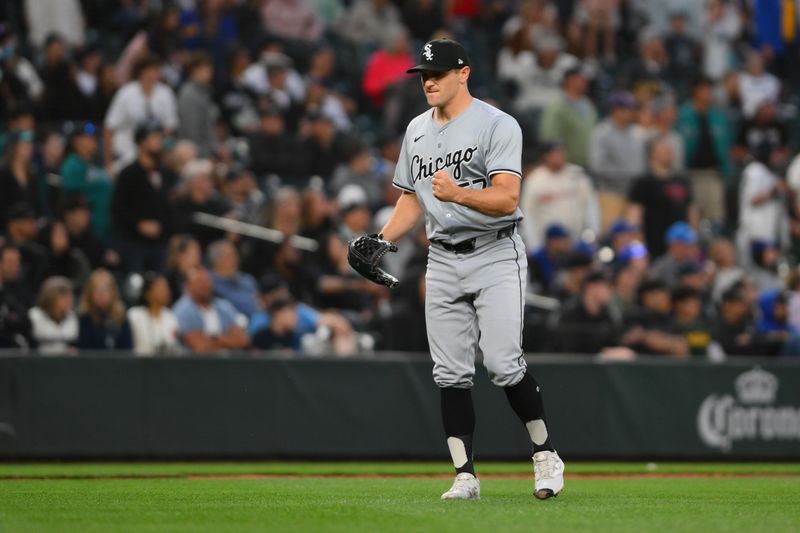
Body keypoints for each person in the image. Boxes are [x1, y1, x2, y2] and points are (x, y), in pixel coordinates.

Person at [370, 39, 565, 501]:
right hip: (441, 256)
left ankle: (545, 454)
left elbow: (507, 198)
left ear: (464, 73)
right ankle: (465, 475)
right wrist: (382, 240)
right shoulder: (416, 129)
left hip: (495, 253)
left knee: (501, 363)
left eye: (437, 72)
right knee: (450, 373)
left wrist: (458, 194)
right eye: (423, 74)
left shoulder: (497, 124)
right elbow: (412, 197)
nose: (429, 81)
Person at [110, 122, 172, 273]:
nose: (159, 142)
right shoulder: (128, 174)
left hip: (159, 242)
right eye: (154, 137)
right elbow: (119, 207)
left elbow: (168, 206)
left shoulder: (164, 173)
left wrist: (162, 227)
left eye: (160, 137)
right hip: (133, 242)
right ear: (142, 142)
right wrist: (139, 224)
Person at [520, 141, 599, 252]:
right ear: (545, 156)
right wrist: (533, 244)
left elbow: (590, 205)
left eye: (561, 152)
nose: (559, 156)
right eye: (555, 153)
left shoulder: (577, 174)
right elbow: (528, 214)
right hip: (547, 245)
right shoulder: (534, 180)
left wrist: (594, 232)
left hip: (577, 241)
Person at [172, 266, 250, 353]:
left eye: (207, 281)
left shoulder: (223, 306)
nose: (205, 285)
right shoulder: (183, 310)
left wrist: (215, 340)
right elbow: (200, 346)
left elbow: (243, 340)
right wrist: (227, 340)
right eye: (200, 282)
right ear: (188, 286)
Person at [76, 268, 133, 350]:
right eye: (97, 289)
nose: (101, 293)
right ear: (89, 292)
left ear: (113, 292)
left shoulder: (121, 317)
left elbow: (128, 349)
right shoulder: (83, 318)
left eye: (105, 289)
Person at [127, 272, 180, 355]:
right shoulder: (134, 315)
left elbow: (173, 345)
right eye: (161, 288)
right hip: (139, 364)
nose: (166, 292)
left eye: (166, 288)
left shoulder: (170, 316)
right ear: (147, 293)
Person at [28, 276, 79, 354]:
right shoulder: (35, 315)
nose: (69, 300)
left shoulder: (72, 317)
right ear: (51, 297)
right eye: (64, 295)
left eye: (70, 296)